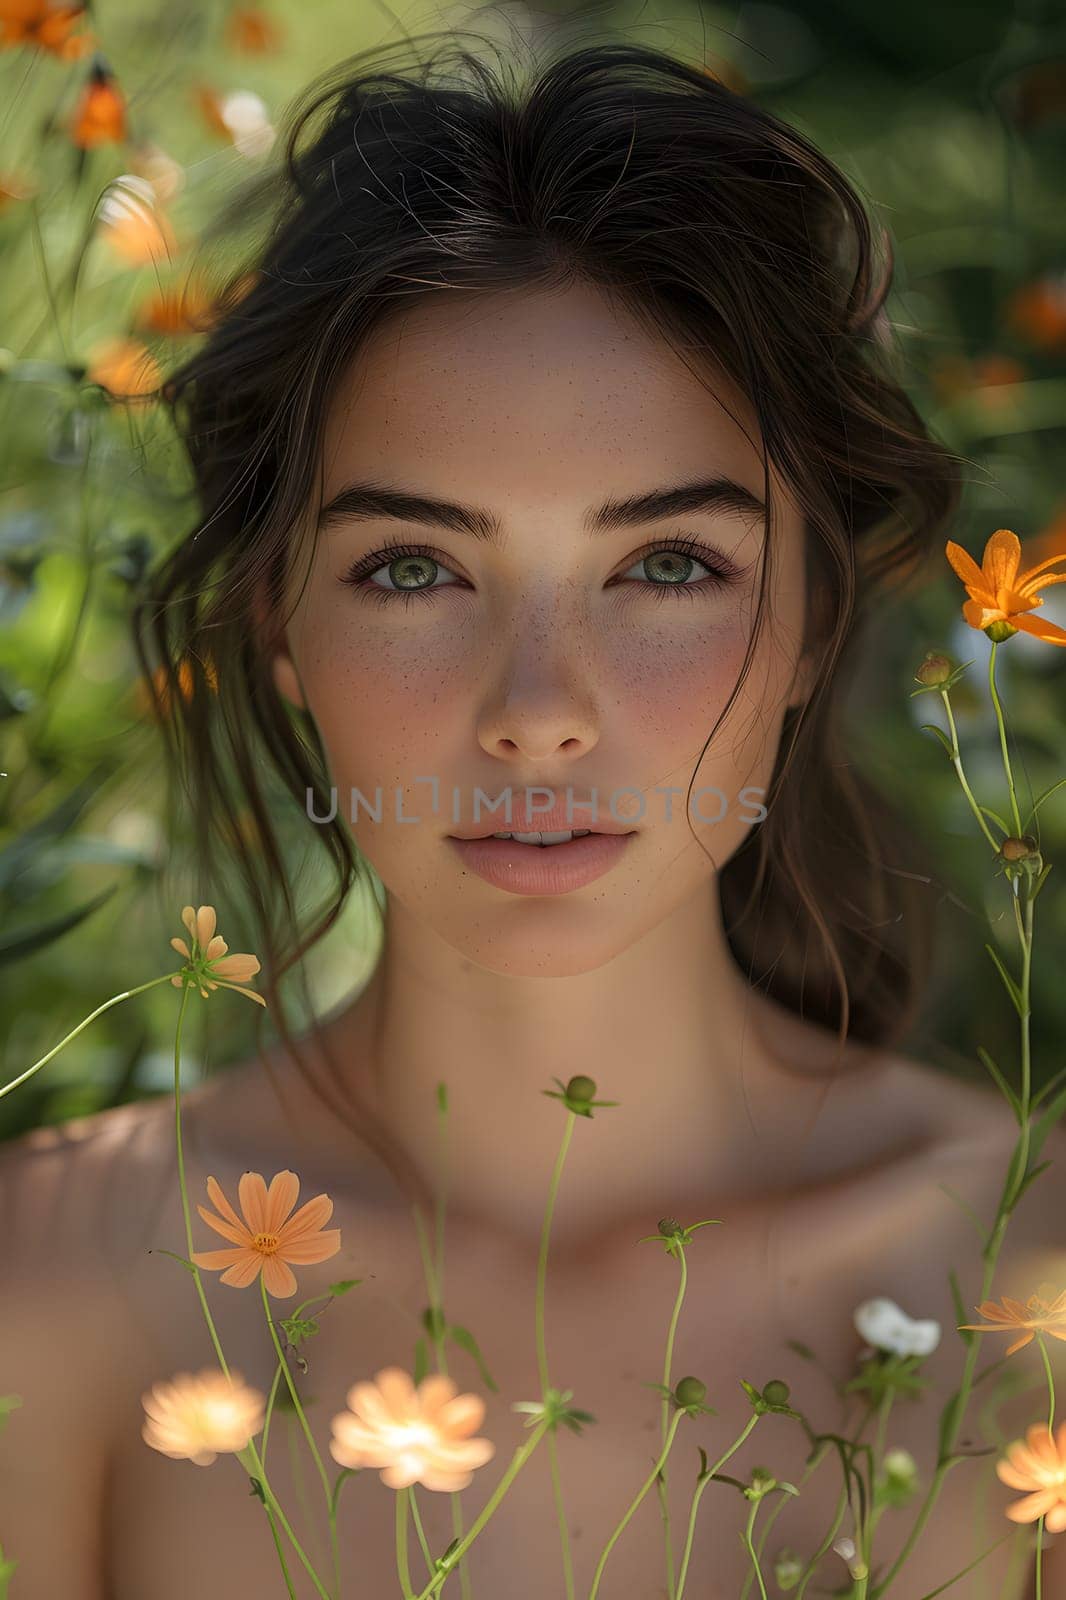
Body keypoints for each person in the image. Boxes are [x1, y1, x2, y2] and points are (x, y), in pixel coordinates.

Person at [1, 32, 1062, 1600]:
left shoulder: (1027, 1282)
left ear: (812, 629)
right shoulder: (53, 1280)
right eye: (414, 569)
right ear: (282, 628)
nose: (538, 706)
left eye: (667, 565)